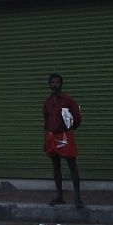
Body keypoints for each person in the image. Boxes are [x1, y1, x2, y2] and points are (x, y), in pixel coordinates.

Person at [41, 74, 82, 207]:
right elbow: (46, 122)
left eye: (57, 82)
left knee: (72, 165)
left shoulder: (68, 100)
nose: (54, 85)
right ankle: (59, 196)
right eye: (52, 82)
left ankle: (77, 197)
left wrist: (69, 130)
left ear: (61, 84)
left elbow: (77, 117)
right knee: (56, 166)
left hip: (65, 136)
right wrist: (46, 138)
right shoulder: (47, 103)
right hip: (52, 136)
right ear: (49, 85)